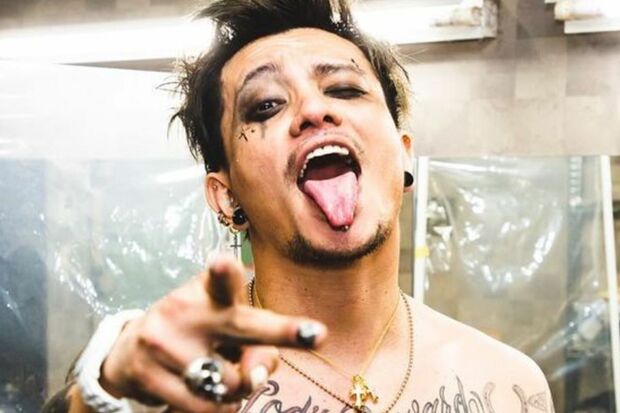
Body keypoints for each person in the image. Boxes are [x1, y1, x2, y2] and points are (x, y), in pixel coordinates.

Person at [43, 0, 555, 412]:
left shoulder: (509, 387)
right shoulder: (180, 382)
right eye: (266, 105)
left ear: (403, 155)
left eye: (344, 89)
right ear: (226, 196)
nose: (313, 109)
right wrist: (106, 392)